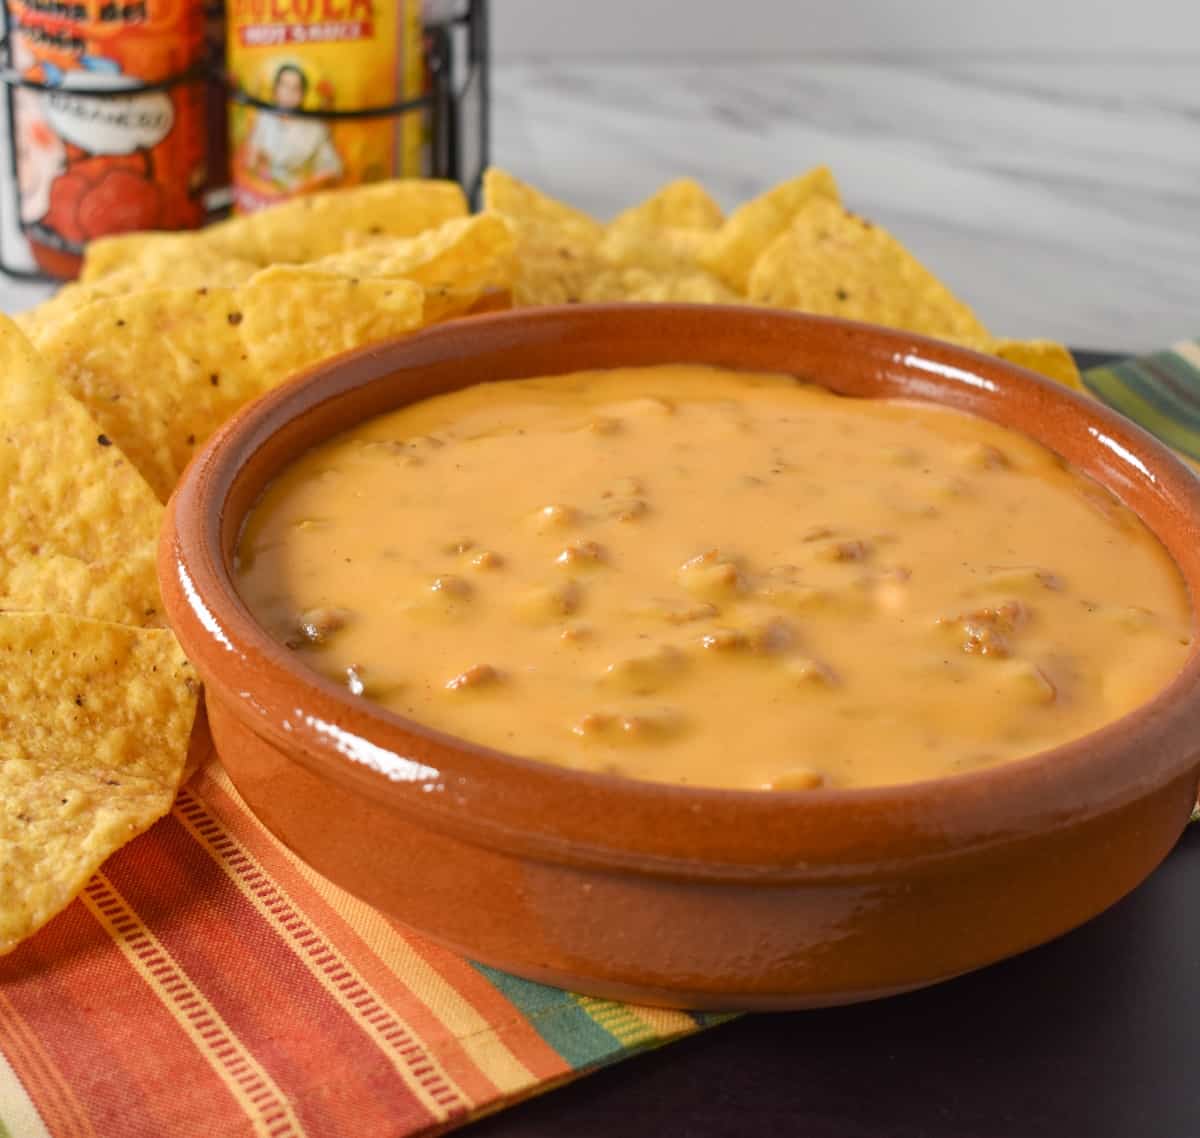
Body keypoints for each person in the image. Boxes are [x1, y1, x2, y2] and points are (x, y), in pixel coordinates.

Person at [245, 63, 343, 192]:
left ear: (302, 94)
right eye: (284, 86)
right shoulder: (265, 118)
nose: (289, 93)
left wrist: (309, 184)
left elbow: (334, 169)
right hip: (267, 194)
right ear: (276, 90)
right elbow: (251, 161)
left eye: (295, 88)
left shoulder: (315, 128)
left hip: (302, 196)